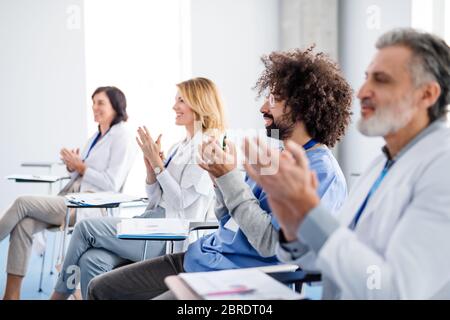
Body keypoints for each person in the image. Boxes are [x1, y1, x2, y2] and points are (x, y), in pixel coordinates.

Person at [85, 47, 352, 300]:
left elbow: (270, 244)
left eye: (273, 99)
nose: (262, 109)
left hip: (236, 277)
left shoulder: (322, 173)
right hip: (203, 257)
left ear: (301, 106)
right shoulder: (276, 153)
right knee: (100, 288)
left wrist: (228, 178)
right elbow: (228, 220)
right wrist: (218, 180)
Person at [244, 28, 450, 299]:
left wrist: (308, 211)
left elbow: (393, 291)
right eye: (366, 78)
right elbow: (334, 258)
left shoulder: (441, 167)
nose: (362, 92)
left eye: (381, 80)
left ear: (427, 95)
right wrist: (294, 227)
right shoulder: (382, 164)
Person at [50, 77, 227, 300]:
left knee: (85, 228)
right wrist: (152, 170)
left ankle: (57, 296)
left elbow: (182, 202)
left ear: (200, 103)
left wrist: (158, 165)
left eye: (181, 100)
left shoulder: (206, 147)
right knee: (91, 259)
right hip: (152, 220)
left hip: (168, 233)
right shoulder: (179, 145)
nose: (174, 106)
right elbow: (154, 197)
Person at [0, 86, 135, 300]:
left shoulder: (122, 137)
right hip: (71, 197)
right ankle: (11, 295)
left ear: (116, 107)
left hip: (88, 204)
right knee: (24, 225)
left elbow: (112, 183)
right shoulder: (96, 136)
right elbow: (84, 172)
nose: (94, 107)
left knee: (21, 203)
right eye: (93, 102)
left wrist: (80, 166)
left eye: (100, 103)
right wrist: (73, 167)